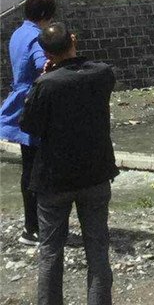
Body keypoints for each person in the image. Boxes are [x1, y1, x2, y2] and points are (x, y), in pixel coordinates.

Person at [20, 22, 118, 305]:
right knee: (98, 250)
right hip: (96, 173)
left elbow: (29, 126)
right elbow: (89, 69)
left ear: (47, 54)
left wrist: (45, 76)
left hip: (55, 178)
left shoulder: (46, 84)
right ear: (73, 41)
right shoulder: (103, 74)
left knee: (51, 252)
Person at [0, 0, 56, 245]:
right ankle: (34, 228)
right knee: (38, 170)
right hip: (35, 106)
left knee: (29, 168)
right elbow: (42, 67)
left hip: (19, 104)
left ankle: (31, 226)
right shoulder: (36, 37)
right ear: (44, 15)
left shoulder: (18, 33)